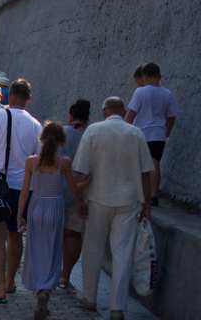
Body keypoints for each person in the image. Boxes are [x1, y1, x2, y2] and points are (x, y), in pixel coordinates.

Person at [73, 97, 154, 320]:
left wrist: (79, 199)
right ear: (124, 110)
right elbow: (146, 173)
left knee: (93, 248)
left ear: (104, 110)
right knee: (122, 252)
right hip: (128, 201)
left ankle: (89, 297)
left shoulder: (93, 131)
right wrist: (147, 205)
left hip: (98, 198)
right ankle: (117, 308)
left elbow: (81, 170)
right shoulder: (136, 133)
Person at [0, 79, 43, 303]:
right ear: (29, 99)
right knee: (15, 236)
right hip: (23, 187)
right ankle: (11, 282)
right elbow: (39, 161)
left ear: (9, 95)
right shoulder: (35, 125)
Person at [17, 121, 90, 320]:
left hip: (35, 208)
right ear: (61, 142)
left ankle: (39, 290)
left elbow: (24, 193)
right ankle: (46, 290)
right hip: (55, 209)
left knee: (36, 250)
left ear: (41, 139)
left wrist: (19, 217)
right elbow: (74, 189)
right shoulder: (64, 162)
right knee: (53, 251)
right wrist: (89, 180)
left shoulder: (31, 161)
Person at [126, 62, 179, 207]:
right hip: (158, 133)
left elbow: (131, 114)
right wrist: (168, 130)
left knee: (139, 164)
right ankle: (154, 195)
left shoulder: (141, 92)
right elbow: (172, 115)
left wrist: (126, 130)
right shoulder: (167, 93)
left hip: (141, 133)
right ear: (160, 76)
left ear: (144, 77)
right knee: (155, 163)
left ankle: (140, 194)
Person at [58, 99, 90, 289]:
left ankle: (50, 274)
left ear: (70, 116)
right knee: (73, 235)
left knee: (55, 234)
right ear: (87, 118)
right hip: (80, 192)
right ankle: (65, 276)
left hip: (57, 190)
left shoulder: (60, 133)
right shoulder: (91, 135)